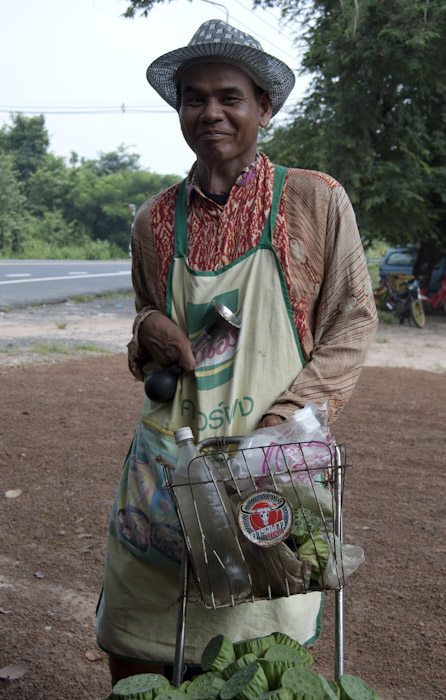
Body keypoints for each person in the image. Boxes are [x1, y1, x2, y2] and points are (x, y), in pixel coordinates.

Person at [95, 18, 378, 687]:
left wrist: (290, 419)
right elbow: (147, 326)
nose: (210, 111)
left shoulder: (315, 201)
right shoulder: (154, 222)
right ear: (180, 109)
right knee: (138, 652)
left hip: (268, 469)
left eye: (230, 96)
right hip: (165, 469)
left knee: (260, 660)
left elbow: (353, 320)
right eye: (194, 97)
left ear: (265, 108)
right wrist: (148, 333)